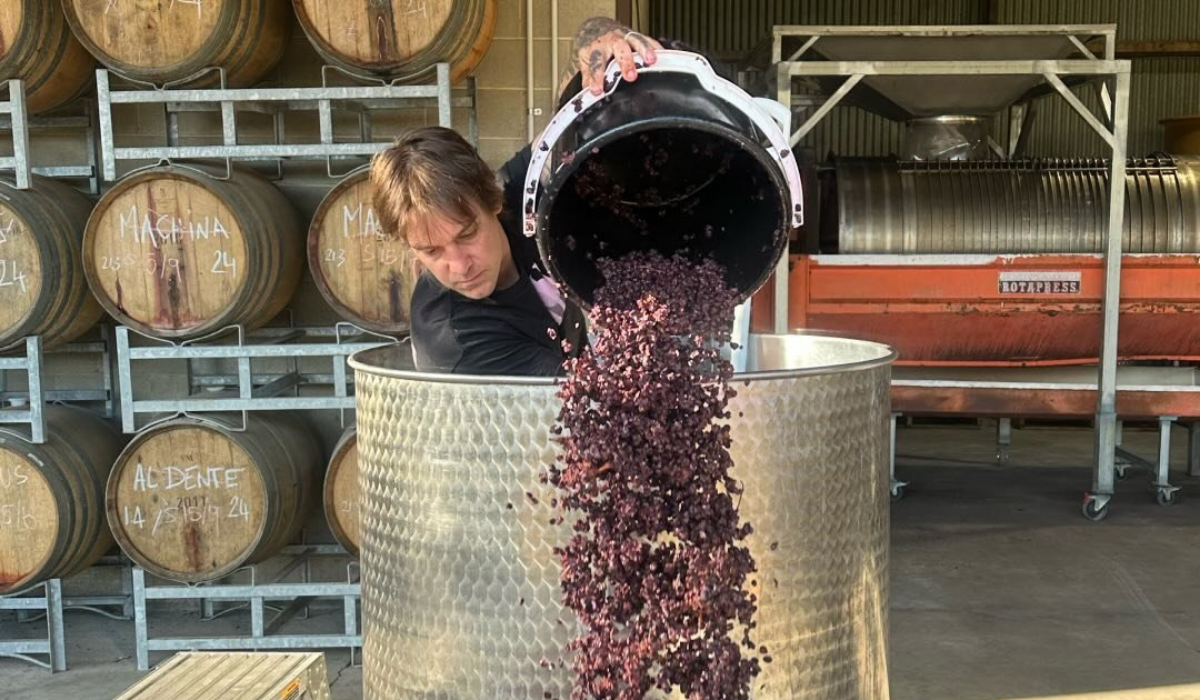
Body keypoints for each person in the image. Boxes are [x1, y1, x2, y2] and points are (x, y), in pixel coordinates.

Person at [370, 18, 663, 376]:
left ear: (494, 200)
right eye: (432, 251)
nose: (460, 266)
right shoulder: (458, 342)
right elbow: (584, 404)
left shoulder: (517, 194)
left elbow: (574, 125)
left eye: (466, 234)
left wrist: (600, 48)